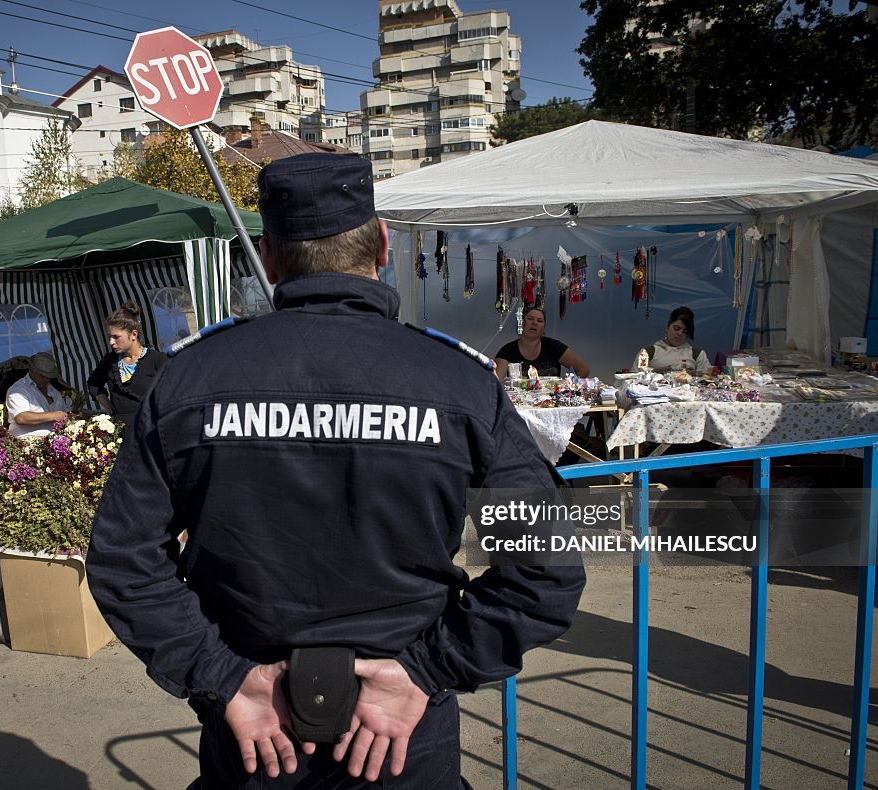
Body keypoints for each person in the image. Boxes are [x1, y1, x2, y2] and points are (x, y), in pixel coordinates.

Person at [86, 153, 586, 789]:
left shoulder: (189, 377)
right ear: (381, 243)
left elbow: (123, 560)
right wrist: (427, 671)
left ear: (267, 257)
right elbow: (550, 564)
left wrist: (221, 678)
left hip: (256, 728)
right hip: (398, 731)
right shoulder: (458, 381)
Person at [86, 301, 167, 429]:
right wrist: (109, 408)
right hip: (122, 433)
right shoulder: (110, 361)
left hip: (152, 429)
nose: (111, 342)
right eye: (109, 337)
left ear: (133, 334)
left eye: (116, 337)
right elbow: (93, 383)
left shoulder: (156, 359)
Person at [494, 305, 591, 381]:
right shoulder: (507, 351)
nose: (534, 323)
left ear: (543, 328)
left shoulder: (554, 347)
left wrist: (568, 388)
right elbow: (496, 382)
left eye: (539, 321)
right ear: (523, 323)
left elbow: (583, 370)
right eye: (530, 319)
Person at [4, 351, 71, 439]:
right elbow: (21, 417)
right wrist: (53, 416)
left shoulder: (52, 390)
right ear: (32, 370)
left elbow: (64, 412)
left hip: (54, 439)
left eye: (49, 377)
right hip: (27, 441)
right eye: (43, 376)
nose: (46, 380)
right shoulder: (18, 389)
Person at [633, 306, 711, 373]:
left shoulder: (698, 354)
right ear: (667, 327)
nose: (680, 333)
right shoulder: (647, 353)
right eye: (676, 328)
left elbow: (709, 379)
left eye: (685, 331)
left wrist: (695, 375)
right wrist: (654, 372)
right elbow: (634, 378)